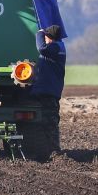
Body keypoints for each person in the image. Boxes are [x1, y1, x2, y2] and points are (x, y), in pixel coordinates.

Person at [29, 24, 66, 156]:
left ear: (49, 38)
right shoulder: (57, 47)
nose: (44, 38)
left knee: (50, 122)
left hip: (49, 91)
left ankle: (54, 150)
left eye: (45, 37)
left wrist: (39, 33)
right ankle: (47, 149)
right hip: (47, 89)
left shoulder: (56, 48)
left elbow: (41, 48)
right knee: (44, 121)